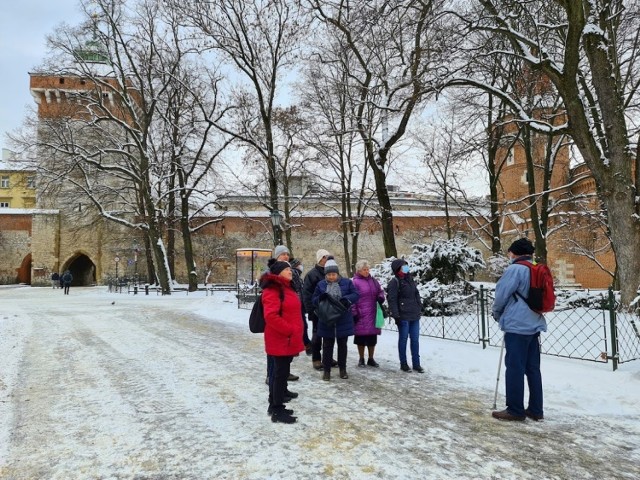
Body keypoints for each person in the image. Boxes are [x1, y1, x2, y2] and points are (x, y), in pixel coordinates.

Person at [491, 238, 547, 422]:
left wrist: (497, 313)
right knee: (533, 368)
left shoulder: (515, 269)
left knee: (515, 367)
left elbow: (501, 295)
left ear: (515, 253)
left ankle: (515, 410)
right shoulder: (537, 268)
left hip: (517, 325)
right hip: (534, 323)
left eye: (510, 253)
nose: (509, 256)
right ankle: (536, 409)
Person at [260, 260, 305, 424]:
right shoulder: (273, 289)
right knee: (279, 375)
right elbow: (271, 316)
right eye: (286, 269)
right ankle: (277, 410)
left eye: (290, 269)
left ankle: (274, 405)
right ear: (278, 273)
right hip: (280, 339)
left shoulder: (287, 287)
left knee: (281, 373)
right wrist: (290, 330)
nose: (290, 271)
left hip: (287, 339)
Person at [312, 258, 359, 380]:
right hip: (327, 320)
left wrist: (346, 299)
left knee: (342, 345)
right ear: (325, 275)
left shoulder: (347, 282)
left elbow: (356, 294)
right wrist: (320, 299)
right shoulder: (321, 284)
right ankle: (326, 371)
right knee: (327, 346)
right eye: (329, 275)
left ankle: (342, 369)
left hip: (343, 319)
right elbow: (314, 299)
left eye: (333, 274)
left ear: (337, 274)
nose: (331, 277)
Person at [266, 245, 300, 383]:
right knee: (275, 353)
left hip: (289, 315)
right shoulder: (273, 272)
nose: (285, 256)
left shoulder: (291, 270)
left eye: (287, 254)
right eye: (282, 254)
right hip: (279, 319)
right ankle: (272, 376)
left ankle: (283, 376)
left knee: (286, 353)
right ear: (276, 256)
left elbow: (296, 287)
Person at [387, 259, 424, 373]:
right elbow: (392, 299)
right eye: (404, 266)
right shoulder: (395, 282)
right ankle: (403, 363)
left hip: (414, 314)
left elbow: (416, 293)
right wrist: (396, 315)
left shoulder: (410, 279)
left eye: (406, 266)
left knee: (415, 340)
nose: (406, 268)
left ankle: (416, 364)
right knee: (403, 340)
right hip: (403, 316)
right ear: (398, 269)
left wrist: (419, 305)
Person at [303, 249, 338, 370]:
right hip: (318, 310)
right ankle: (316, 359)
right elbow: (307, 294)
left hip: (331, 311)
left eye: (328, 257)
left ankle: (328, 357)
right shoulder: (312, 275)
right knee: (317, 336)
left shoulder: (334, 272)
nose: (327, 259)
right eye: (324, 257)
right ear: (319, 259)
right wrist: (311, 311)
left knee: (330, 336)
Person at [351, 260, 386, 367]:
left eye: (367, 269)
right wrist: (354, 312)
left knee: (372, 338)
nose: (367, 271)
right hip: (361, 314)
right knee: (361, 338)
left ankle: (371, 358)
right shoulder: (355, 282)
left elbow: (380, 291)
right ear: (359, 271)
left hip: (373, 313)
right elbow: (352, 298)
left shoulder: (373, 281)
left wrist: (381, 297)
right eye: (364, 270)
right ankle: (361, 359)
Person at [289, 256, 311, 355]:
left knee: (302, 325)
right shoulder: (294, 274)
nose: (301, 266)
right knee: (301, 326)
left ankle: (304, 344)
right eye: (299, 264)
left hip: (299, 305)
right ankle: (304, 345)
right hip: (296, 306)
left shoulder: (297, 275)